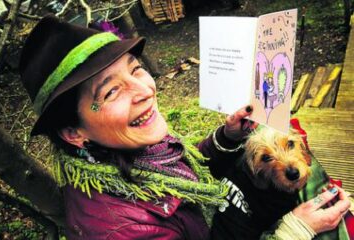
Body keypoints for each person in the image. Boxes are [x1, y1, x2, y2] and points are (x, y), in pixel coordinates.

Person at [19, 15, 350, 239]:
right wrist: (296, 228)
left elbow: (185, 165)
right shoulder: (120, 228)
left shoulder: (138, 149)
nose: (145, 91)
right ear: (73, 133)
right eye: (111, 91)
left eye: (135, 70)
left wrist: (226, 137)